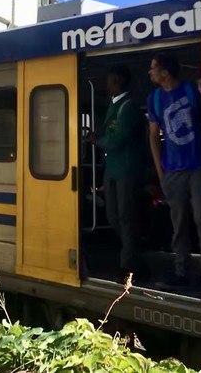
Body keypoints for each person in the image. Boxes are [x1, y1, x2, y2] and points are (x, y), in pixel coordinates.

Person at [146, 53, 201, 296]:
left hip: (198, 166)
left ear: (165, 72)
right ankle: (181, 272)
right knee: (179, 224)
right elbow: (153, 136)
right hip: (172, 170)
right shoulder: (154, 98)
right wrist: (160, 172)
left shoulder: (192, 90)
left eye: (154, 68)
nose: (150, 72)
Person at [88, 65, 148, 281]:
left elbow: (117, 140)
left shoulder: (128, 107)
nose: (107, 85)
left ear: (117, 82)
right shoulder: (114, 106)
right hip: (113, 171)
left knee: (125, 216)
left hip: (127, 170)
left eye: (109, 81)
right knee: (114, 215)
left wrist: (97, 141)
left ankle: (129, 264)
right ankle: (133, 252)